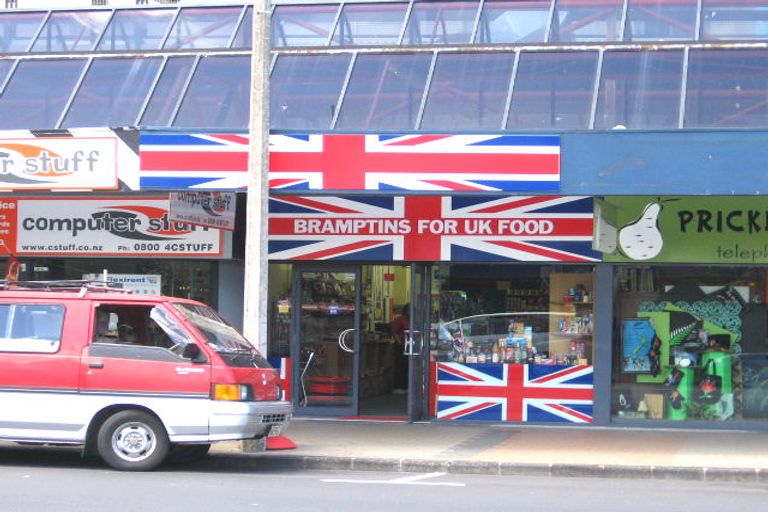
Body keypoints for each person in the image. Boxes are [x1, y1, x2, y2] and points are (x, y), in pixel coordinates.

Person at [390, 304, 410, 395]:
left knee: (408, 367)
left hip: (411, 345)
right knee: (401, 366)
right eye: (408, 310)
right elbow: (394, 332)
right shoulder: (400, 319)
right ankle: (399, 386)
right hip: (402, 345)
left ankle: (407, 386)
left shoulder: (413, 319)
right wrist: (399, 343)